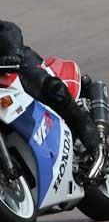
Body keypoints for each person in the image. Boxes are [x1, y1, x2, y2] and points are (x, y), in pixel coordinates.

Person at [0, 20, 101, 154]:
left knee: (50, 88)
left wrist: (14, 53)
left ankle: (81, 119)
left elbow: (8, 29)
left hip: (11, 65)